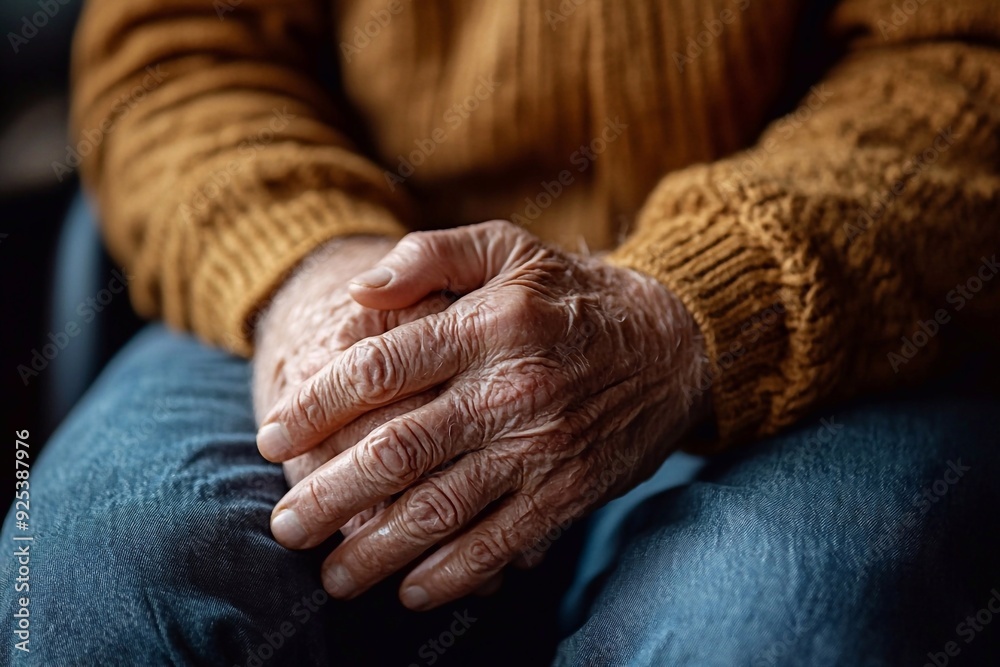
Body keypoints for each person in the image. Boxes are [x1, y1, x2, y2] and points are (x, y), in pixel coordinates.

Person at [4, 0, 1000, 664]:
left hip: (804, 305)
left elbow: (966, 60)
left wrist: (687, 309)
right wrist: (308, 266)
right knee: (97, 583)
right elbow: (174, 49)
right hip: (357, 269)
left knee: (777, 625)